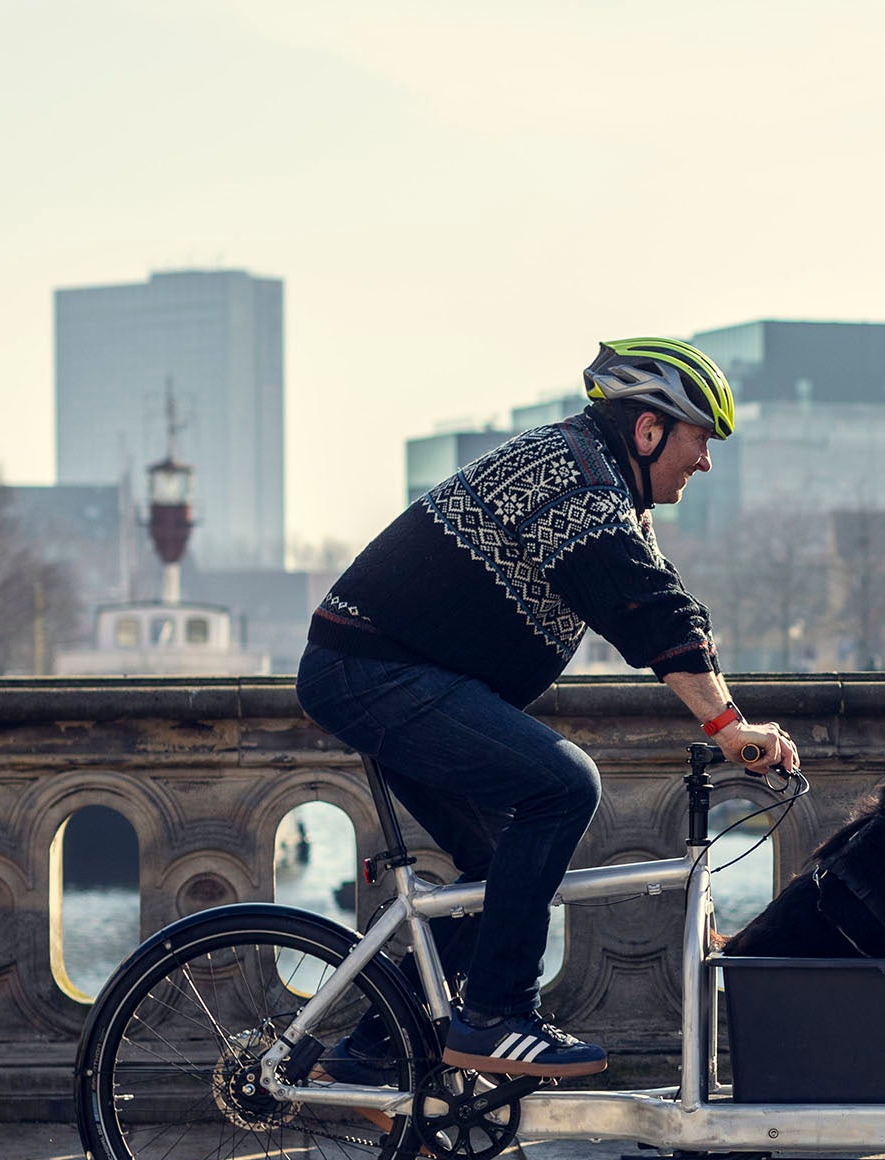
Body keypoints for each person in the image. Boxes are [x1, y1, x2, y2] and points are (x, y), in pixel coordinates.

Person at [297, 337, 799, 1084]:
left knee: (499, 871)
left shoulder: (602, 484)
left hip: (389, 674)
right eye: (699, 439)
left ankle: (372, 1055)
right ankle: (497, 1016)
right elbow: (645, 612)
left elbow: (670, 607)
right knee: (564, 784)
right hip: (373, 673)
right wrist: (728, 728)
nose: (706, 461)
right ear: (649, 429)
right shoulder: (575, 482)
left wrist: (729, 713)